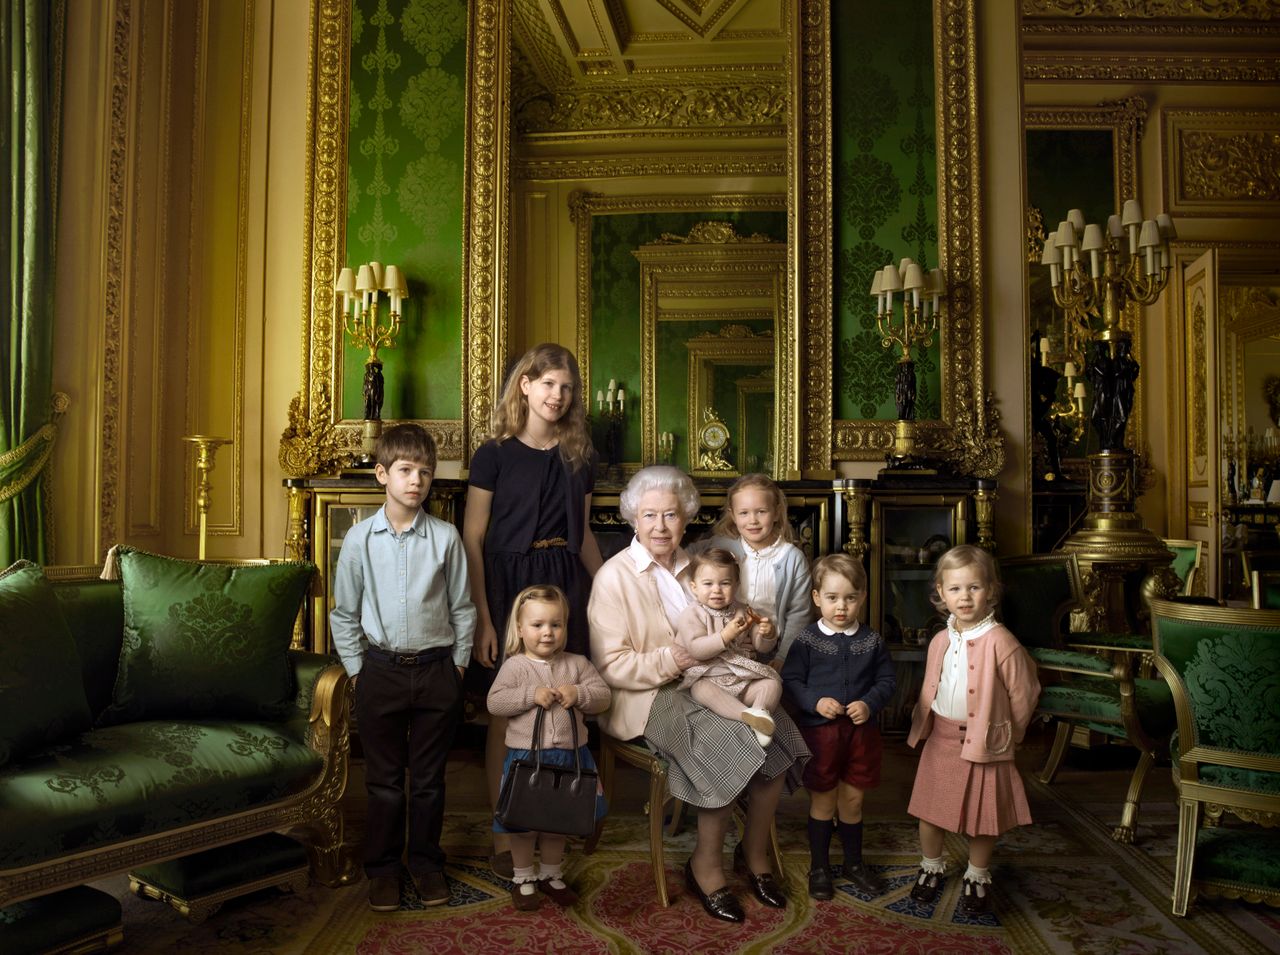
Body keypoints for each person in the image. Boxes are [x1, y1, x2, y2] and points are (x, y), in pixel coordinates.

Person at [588, 466, 809, 923]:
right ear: (633, 519)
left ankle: (754, 854)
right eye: (649, 515)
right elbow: (613, 667)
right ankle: (704, 864)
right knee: (728, 739)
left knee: (779, 732)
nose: (660, 526)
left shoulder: (702, 565)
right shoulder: (614, 578)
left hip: (714, 679)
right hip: (649, 694)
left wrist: (756, 635)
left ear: (686, 517)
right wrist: (677, 660)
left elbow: (733, 632)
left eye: (671, 514)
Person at [464, 343, 605, 879]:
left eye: (567, 387)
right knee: (509, 710)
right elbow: (473, 536)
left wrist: (607, 587)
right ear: (525, 384)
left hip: (565, 580)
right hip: (507, 586)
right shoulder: (494, 453)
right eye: (548, 383)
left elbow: (586, 533)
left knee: (568, 702)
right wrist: (482, 615)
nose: (558, 395)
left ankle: (561, 817)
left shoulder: (579, 456)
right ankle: (507, 831)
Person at [330, 423, 476, 912]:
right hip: (381, 672)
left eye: (426, 473)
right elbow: (344, 613)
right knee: (385, 782)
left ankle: (427, 864)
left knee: (430, 780)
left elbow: (462, 608)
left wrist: (457, 668)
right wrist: (357, 671)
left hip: (437, 671)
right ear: (382, 475)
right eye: (406, 471)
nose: (417, 481)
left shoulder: (446, 538)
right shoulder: (358, 541)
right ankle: (384, 869)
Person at [907, 545, 1041, 915]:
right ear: (940, 593)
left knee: (984, 816)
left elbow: (1025, 692)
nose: (964, 597)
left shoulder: (1002, 641)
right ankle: (931, 866)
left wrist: (1009, 734)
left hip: (986, 742)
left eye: (974, 588)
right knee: (930, 811)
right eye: (955, 589)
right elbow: (933, 685)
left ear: (991, 591)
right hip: (942, 738)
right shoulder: (939, 640)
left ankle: (977, 874)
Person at [486, 585, 610, 911]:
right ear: (520, 629)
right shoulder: (515, 667)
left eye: (556, 624)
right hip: (527, 759)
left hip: (571, 758)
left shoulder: (578, 664)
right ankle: (524, 876)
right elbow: (495, 702)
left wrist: (579, 694)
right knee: (523, 823)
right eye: (538, 625)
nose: (547, 633)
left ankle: (551, 874)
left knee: (559, 822)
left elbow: (603, 696)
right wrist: (530, 694)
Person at [781, 553, 895, 901]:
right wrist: (815, 701)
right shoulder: (807, 640)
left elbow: (888, 679)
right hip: (821, 736)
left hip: (861, 736)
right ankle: (819, 866)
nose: (840, 607)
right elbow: (791, 680)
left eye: (849, 597)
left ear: (862, 597)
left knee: (854, 800)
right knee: (823, 800)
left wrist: (869, 702)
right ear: (817, 598)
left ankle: (853, 863)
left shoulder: (872, 641)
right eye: (832, 598)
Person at [699, 473, 815, 663]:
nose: (752, 520)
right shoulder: (722, 546)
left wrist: (782, 657)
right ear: (733, 515)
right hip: (723, 642)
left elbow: (799, 615)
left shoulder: (792, 558)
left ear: (776, 512)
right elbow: (685, 558)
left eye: (761, 511)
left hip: (770, 647)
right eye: (744, 513)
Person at [674, 547, 783, 746]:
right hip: (709, 675)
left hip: (741, 677)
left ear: (737, 585)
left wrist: (766, 635)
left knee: (772, 684)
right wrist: (725, 636)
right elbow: (696, 649)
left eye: (725, 583)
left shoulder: (743, 610)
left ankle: (760, 711)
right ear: (694, 587)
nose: (716, 590)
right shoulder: (692, 614)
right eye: (708, 584)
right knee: (700, 689)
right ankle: (747, 716)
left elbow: (761, 648)